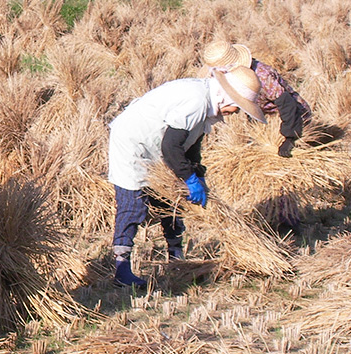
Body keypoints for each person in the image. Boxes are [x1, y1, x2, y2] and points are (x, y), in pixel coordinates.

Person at [107, 66, 264, 288]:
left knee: (171, 200)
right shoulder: (197, 101)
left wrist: (197, 173)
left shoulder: (207, 103)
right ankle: (121, 270)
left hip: (157, 148)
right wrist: (189, 179)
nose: (235, 113)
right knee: (133, 206)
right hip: (133, 144)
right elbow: (171, 147)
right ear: (226, 97)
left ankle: (176, 257)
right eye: (237, 107)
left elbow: (190, 145)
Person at [201, 41, 312, 157]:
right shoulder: (233, 79)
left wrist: (290, 137)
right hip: (267, 117)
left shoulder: (262, 76)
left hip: (295, 117)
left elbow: (287, 104)